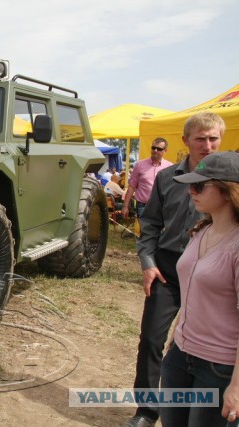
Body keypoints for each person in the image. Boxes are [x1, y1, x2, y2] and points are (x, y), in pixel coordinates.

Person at [123, 112, 225, 427]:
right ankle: (147, 410)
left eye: (213, 139)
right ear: (186, 141)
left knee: (207, 350)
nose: (208, 145)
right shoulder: (167, 178)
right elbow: (151, 223)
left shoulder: (229, 179)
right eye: (201, 139)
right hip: (168, 268)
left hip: (213, 273)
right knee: (152, 340)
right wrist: (148, 264)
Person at [160, 151, 239, 426]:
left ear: (229, 191)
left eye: (199, 185)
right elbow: (194, 289)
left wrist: (237, 387)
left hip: (219, 369)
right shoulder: (201, 230)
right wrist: (178, 329)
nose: (191, 191)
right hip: (181, 355)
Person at [122, 138, 172, 219]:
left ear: (165, 151)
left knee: (160, 231)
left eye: (159, 149)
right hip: (143, 206)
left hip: (162, 206)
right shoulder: (139, 165)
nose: (155, 150)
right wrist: (125, 206)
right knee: (144, 231)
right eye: (153, 147)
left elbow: (171, 189)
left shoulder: (169, 167)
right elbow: (131, 187)